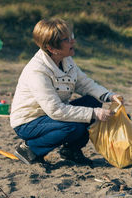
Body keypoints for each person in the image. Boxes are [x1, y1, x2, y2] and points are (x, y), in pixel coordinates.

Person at [10, 18, 123, 166]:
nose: (73, 41)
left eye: (72, 37)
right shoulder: (37, 71)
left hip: (52, 115)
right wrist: (94, 113)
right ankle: (30, 149)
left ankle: (70, 151)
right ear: (52, 48)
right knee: (73, 127)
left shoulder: (66, 60)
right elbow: (55, 110)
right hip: (29, 122)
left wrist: (110, 96)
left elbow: (85, 84)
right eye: (67, 39)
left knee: (93, 101)